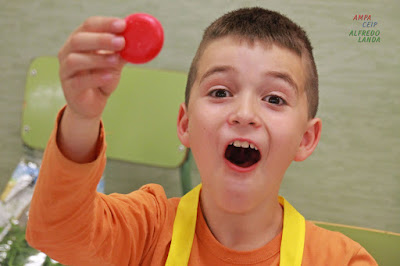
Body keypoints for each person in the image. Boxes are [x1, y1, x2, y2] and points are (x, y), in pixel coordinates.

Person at [26, 7, 377, 265]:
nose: (244, 114)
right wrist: (81, 117)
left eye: (274, 98)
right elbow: (56, 232)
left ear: (306, 138)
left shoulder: (341, 260)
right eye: (221, 92)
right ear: (185, 123)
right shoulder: (145, 231)